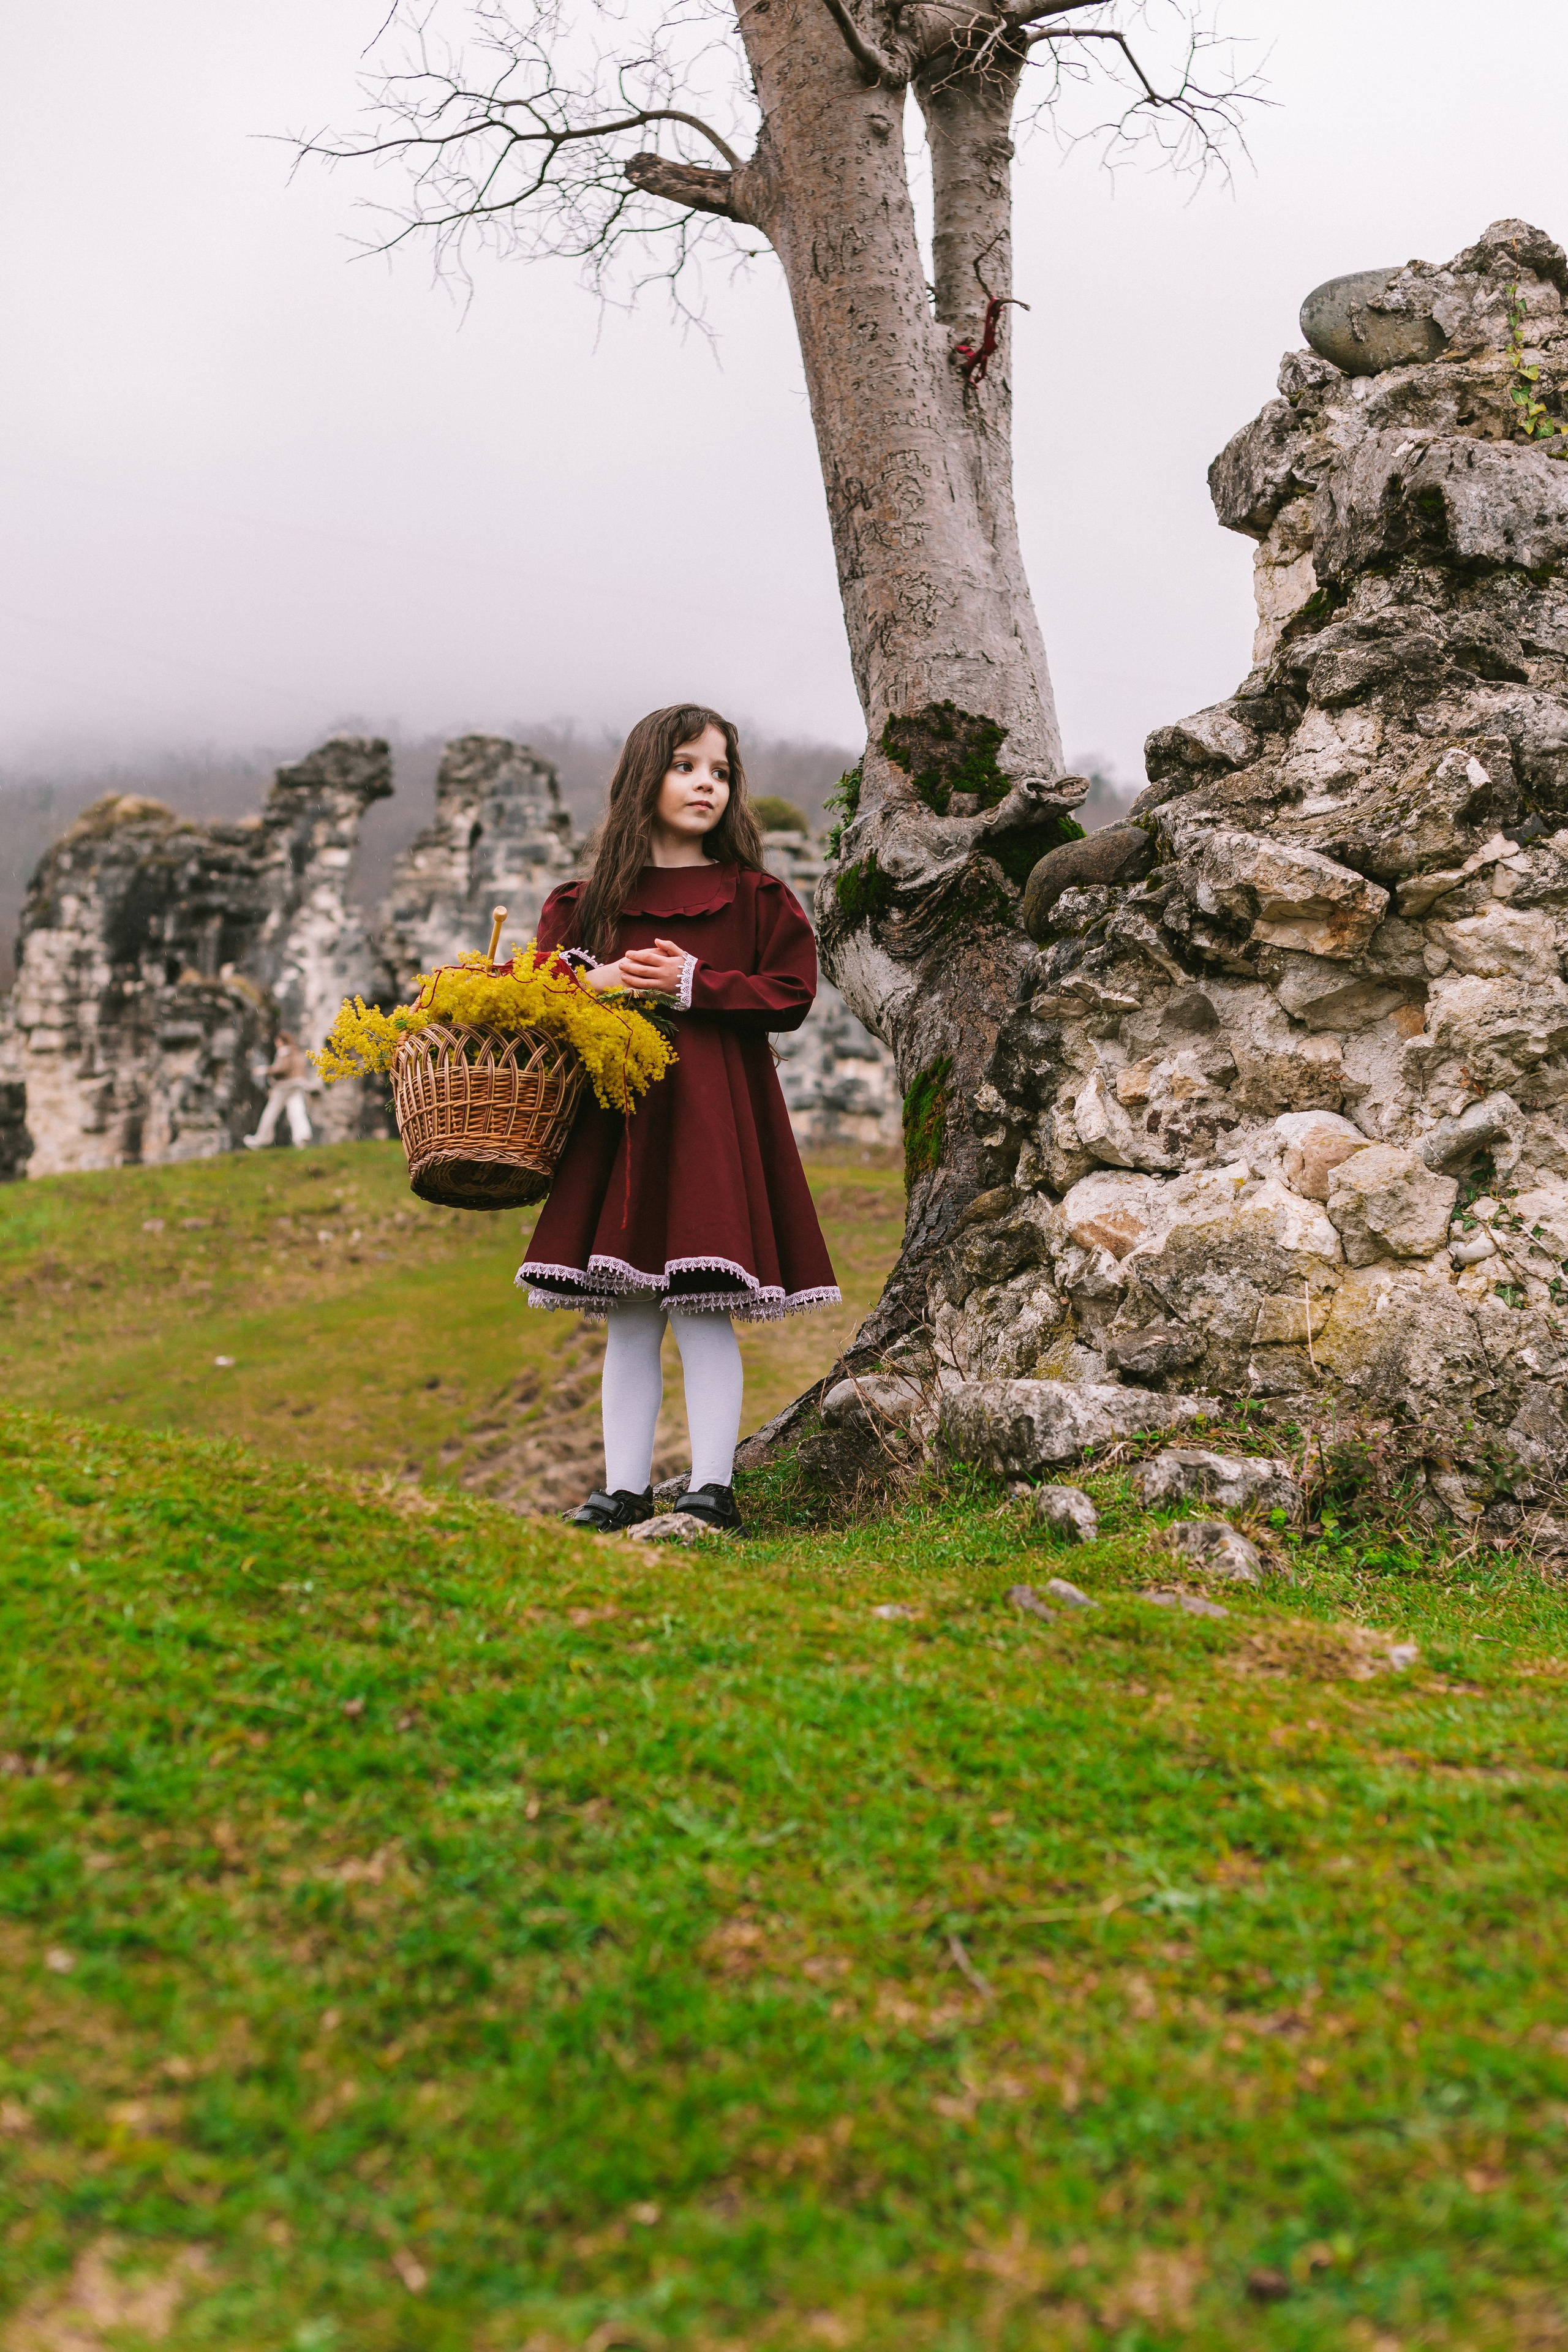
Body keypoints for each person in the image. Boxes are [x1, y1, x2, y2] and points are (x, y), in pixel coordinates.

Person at [519, 704, 840, 1533]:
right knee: (628, 1312)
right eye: (687, 766)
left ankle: (711, 1488)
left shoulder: (758, 899)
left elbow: (791, 995)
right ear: (645, 777)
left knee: (702, 1306)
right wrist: (602, 981)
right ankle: (621, 1491)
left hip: (711, 1125)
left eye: (721, 771)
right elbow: (532, 1000)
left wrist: (696, 983)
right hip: (617, 1126)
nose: (707, 784)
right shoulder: (583, 905)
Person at [244, 1031, 317, 1150]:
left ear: (280, 1041)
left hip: (284, 1086)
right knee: (297, 1110)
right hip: (297, 1084)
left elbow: (282, 1069)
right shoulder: (296, 1052)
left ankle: (262, 1138)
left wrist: (264, 1071)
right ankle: (302, 1136)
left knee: (271, 1111)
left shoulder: (284, 1052)